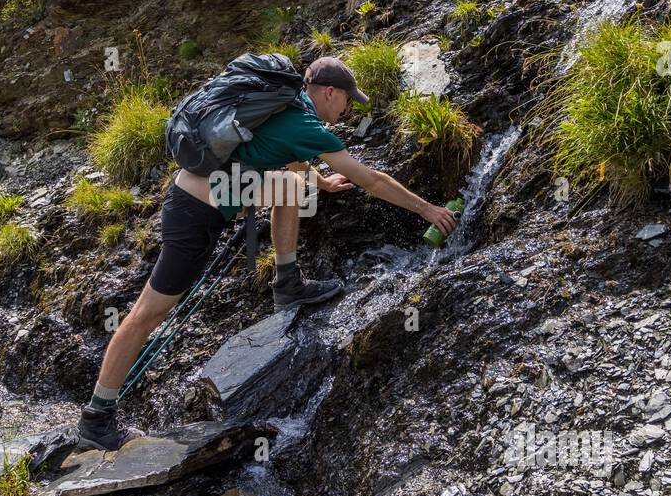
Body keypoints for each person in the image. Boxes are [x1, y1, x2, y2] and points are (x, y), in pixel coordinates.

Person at [76, 55, 459, 450]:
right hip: (194, 216)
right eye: (347, 101)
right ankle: (97, 417)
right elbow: (373, 181)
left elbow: (286, 156)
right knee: (148, 313)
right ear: (330, 93)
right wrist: (428, 209)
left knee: (291, 188)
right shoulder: (304, 121)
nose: (346, 111)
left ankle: (288, 283)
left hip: (205, 196)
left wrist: (321, 183)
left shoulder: (285, 106)